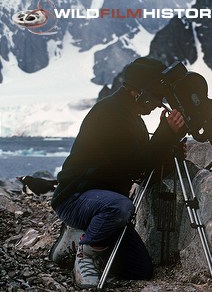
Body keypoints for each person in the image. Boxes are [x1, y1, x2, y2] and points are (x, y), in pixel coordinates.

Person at [48, 57, 185, 288]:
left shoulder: (130, 115)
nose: (157, 104)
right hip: (76, 198)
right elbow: (133, 165)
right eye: (154, 96)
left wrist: (170, 149)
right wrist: (165, 132)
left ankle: (81, 234)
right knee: (119, 206)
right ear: (138, 92)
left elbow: (143, 165)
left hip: (104, 202)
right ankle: (85, 254)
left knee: (139, 270)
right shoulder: (110, 114)